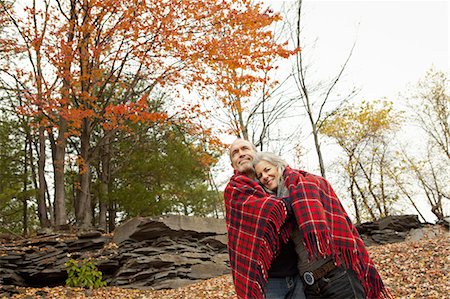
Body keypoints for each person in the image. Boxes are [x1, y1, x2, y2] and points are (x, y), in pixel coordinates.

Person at [252, 151, 392, 299]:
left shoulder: (307, 183)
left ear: (278, 166)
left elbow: (338, 221)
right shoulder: (273, 206)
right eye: (260, 176)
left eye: (267, 170)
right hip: (309, 285)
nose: (265, 177)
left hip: (338, 275)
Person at [224, 138, 305, 299]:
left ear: (255, 153)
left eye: (245, 149)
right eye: (235, 153)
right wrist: (297, 200)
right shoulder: (234, 189)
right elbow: (271, 210)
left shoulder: (276, 181)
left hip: (297, 273)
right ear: (233, 164)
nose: (241, 154)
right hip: (268, 282)